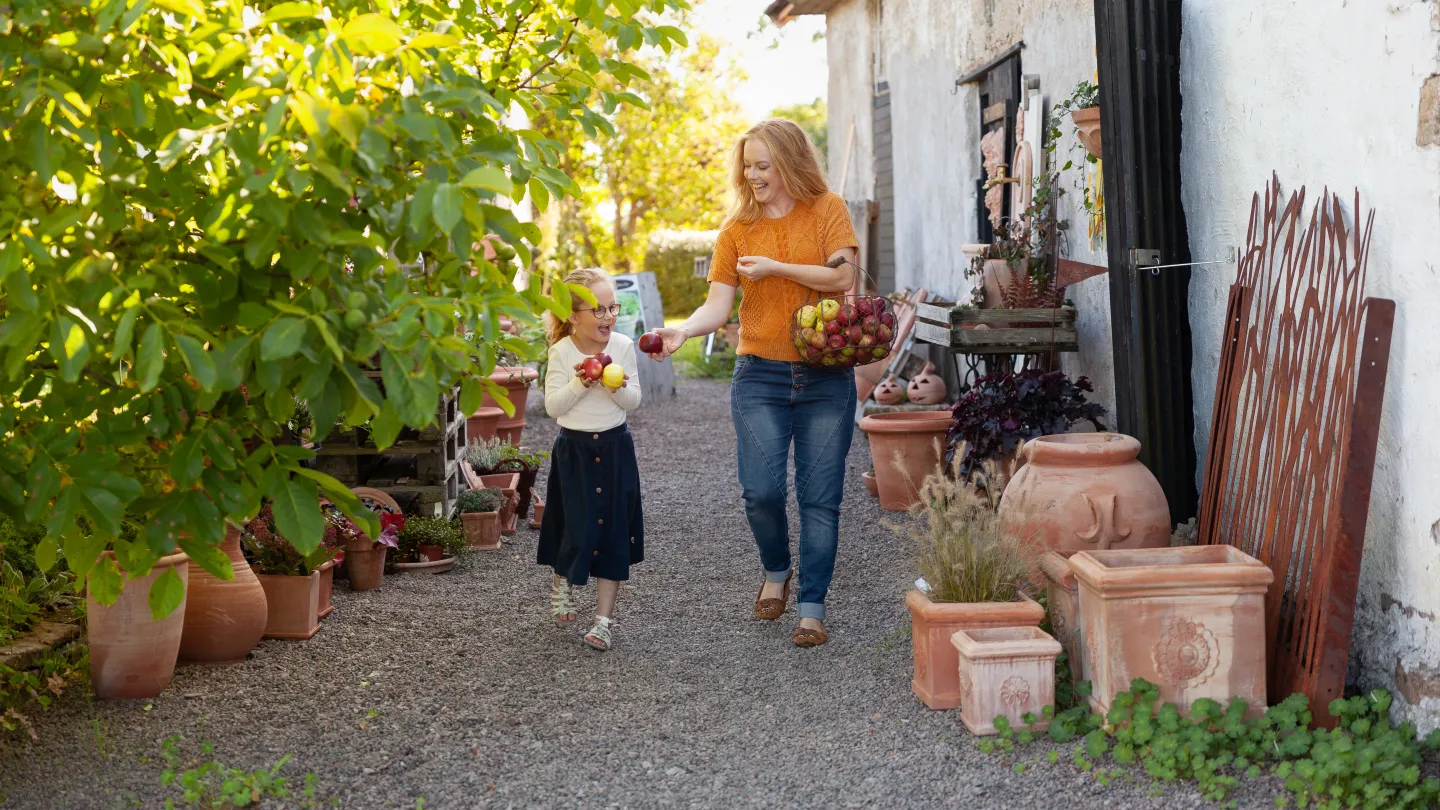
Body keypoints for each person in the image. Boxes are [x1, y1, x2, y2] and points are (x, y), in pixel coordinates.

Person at [647, 119, 859, 648]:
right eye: (748, 165)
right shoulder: (736, 230)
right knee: (760, 492)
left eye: (764, 165)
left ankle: (812, 607)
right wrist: (684, 331)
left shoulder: (828, 209)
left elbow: (843, 277)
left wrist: (777, 269)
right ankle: (776, 569)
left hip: (826, 374)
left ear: (790, 163)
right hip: (760, 373)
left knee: (820, 498)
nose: (754, 175)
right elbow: (718, 305)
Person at [537, 268, 644, 651]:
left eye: (612, 307)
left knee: (613, 531)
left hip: (615, 449)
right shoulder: (561, 352)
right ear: (572, 315)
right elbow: (553, 407)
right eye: (598, 310)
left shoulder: (623, 346)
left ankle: (603, 622)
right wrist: (582, 381)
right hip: (575, 452)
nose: (608, 317)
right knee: (576, 526)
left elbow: (635, 401)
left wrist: (614, 385)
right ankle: (563, 577)